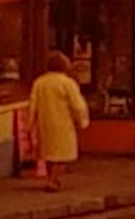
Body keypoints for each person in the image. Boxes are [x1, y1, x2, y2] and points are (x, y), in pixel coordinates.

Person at [29, 50, 91, 193]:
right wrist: (82, 121)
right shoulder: (67, 83)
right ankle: (52, 180)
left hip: (45, 123)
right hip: (63, 123)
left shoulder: (40, 82)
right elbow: (77, 105)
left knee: (49, 153)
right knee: (63, 155)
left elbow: (33, 104)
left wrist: (30, 123)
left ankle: (52, 178)